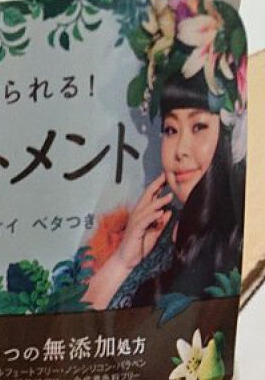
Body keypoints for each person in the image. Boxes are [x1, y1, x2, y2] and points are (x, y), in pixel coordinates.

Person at [84, 72, 242, 311]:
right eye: (171, 130)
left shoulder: (236, 239)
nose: (180, 150)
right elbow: (69, 326)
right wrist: (123, 260)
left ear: (229, 137)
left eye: (198, 126)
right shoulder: (155, 231)